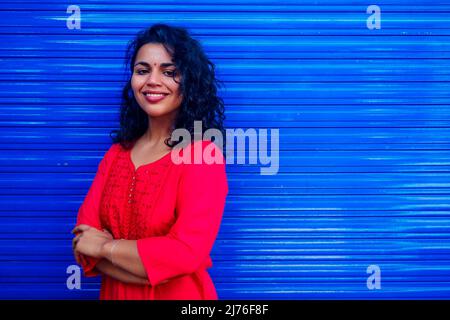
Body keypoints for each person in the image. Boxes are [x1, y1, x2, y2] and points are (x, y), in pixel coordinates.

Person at [71, 23, 228, 300]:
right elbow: (84, 242)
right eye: (143, 70)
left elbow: (186, 255)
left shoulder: (202, 155)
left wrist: (106, 249)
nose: (152, 81)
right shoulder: (117, 154)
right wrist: (150, 264)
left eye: (169, 72)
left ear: (189, 81)